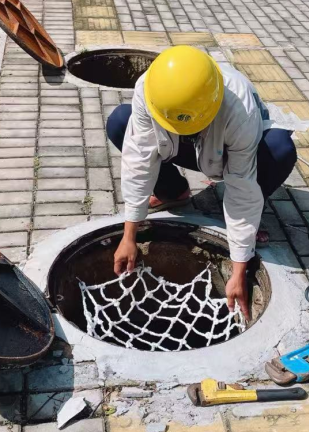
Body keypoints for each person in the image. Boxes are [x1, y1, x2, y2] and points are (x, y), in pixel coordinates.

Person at [106, 46, 298, 320]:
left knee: (279, 148)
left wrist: (239, 269)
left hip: (232, 151)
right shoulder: (150, 89)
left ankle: (244, 224)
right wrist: (129, 236)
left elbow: (242, 187)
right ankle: (173, 192)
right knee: (120, 121)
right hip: (189, 147)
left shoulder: (239, 107)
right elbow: (138, 160)